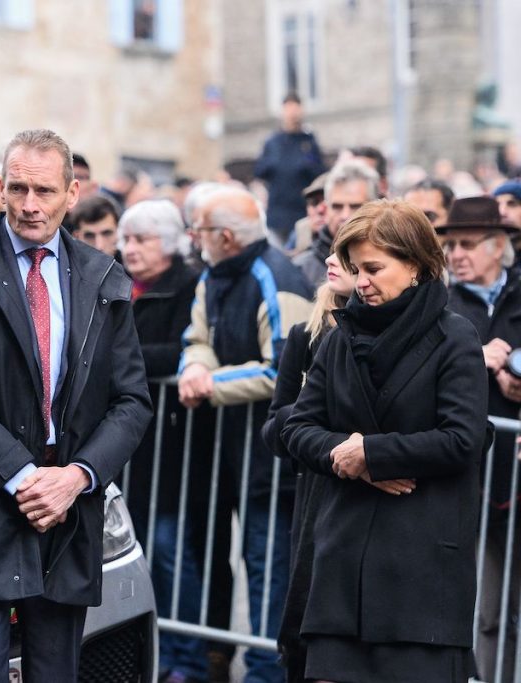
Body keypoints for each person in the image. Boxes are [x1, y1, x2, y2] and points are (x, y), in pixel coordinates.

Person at [0, 128, 152, 682]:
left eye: (44, 191)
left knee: (55, 674)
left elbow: (131, 400)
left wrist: (78, 476)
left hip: (68, 509)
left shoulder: (103, 276)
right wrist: (22, 476)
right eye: (17, 188)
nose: (29, 205)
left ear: (72, 193)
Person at [282, 200, 489, 683]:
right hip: (341, 565)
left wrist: (371, 454)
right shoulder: (339, 336)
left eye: (375, 268)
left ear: (415, 264)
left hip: (421, 571)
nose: (362, 282)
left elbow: (463, 438)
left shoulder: (455, 337)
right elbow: (296, 427)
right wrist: (348, 458)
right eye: (356, 269)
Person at [177, 186, 314, 683]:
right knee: (232, 559)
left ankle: (266, 669)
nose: (195, 240)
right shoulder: (214, 274)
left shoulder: (275, 279)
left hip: (273, 460)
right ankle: (231, 661)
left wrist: (210, 383)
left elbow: (286, 370)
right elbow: (196, 339)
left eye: (202, 232)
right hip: (229, 451)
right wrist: (195, 367)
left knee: (268, 567)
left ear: (227, 237)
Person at [118, 200, 233, 683]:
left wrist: (122, 361)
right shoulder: (117, 284)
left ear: (168, 243)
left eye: (141, 240)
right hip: (129, 447)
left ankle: (185, 659)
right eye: (126, 239)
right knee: (133, 554)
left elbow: (192, 349)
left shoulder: (190, 285)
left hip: (175, 447)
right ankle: (139, 653)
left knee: (169, 552)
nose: (129, 249)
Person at [260, 252, 362, 683]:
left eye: (349, 255)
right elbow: (275, 427)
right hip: (317, 496)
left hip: (378, 500)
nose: (330, 259)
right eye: (334, 250)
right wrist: (314, 419)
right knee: (310, 626)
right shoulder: (306, 334)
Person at [439, 196, 521, 682]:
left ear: (499, 247)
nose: (457, 254)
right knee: (475, 604)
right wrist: (476, 356)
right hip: (469, 473)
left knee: (506, 601)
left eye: (468, 244)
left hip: (512, 471)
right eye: (451, 244)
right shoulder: (444, 301)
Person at [293, 160, 380, 287]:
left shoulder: (392, 263)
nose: (345, 215)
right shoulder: (302, 269)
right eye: (337, 206)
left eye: (355, 206)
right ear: (326, 208)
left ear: (375, 207)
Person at [253, 92, 326, 244]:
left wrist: (306, 165)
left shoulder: (308, 142)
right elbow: (259, 171)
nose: (292, 114)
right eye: (288, 110)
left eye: (295, 110)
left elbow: (320, 173)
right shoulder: (273, 142)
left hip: (302, 213)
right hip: (278, 214)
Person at [70, 195, 120, 259]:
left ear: (119, 233)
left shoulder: (130, 266)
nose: (99, 246)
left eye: (107, 233)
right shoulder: (63, 266)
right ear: (76, 237)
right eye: (89, 236)